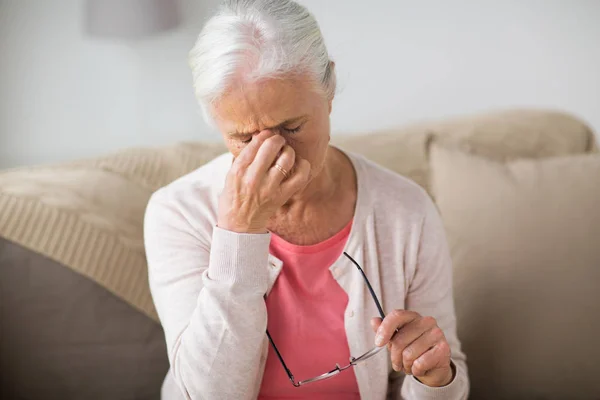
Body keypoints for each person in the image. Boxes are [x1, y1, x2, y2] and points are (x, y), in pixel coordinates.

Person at [144, 0, 469, 399]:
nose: (275, 156)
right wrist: (240, 230)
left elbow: (446, 371)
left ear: (329, 90)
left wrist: (433, 375)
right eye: (244, 139)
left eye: (292, 127)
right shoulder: (177, 212)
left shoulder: (406, 211)